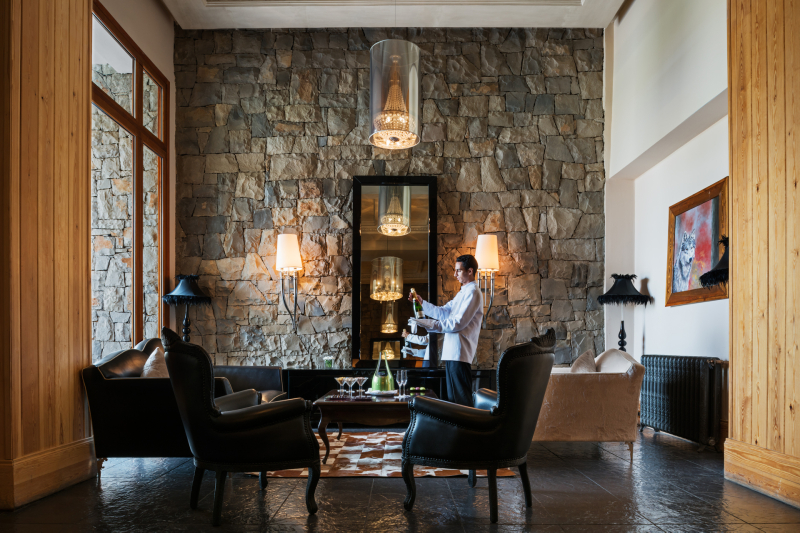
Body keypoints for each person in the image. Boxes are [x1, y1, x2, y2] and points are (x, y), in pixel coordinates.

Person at [408, 254, 483, 406]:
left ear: (470, 271)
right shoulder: (462, 293)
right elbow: (443, 312)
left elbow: (458, 323)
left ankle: (465, 423)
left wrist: (429, 324)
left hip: (460, 353)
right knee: (454, 401)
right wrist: (422, 303)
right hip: (452, 353)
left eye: (458, 270)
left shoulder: (473, 292)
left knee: (461, 402)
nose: (455, 274)